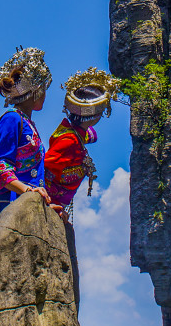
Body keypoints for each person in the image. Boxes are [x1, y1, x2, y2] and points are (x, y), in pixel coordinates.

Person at [0, 46, 53, 239]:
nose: (45, 95)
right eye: (44, 90)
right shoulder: (12, 119)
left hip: (28, 205)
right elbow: (0, 168)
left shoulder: (28, 124)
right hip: (8, 207)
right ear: (36, 91)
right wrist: (28, 190)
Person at [44, 68, 121, 223]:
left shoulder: (76, 133)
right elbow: (44, 167)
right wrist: (46, 203)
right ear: (95, 115)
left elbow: (92, 135)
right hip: (48, 204)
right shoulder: (69, 140)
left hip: (58, 206)